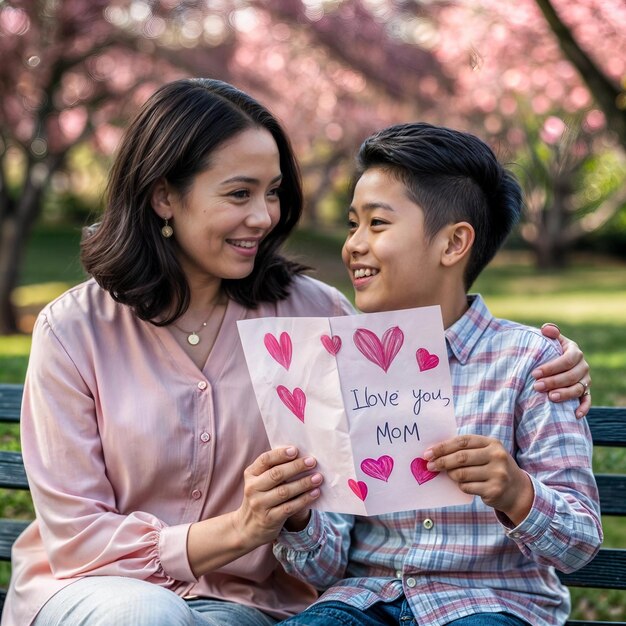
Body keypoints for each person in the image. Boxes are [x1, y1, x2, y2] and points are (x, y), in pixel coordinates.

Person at [3, 80, 589, 626]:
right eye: (239, 194)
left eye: (274, 193)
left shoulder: (320, 318)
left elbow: (435, 349)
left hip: (244, 602)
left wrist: (554, 364)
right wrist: (245, 526)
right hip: (98, 589)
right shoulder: (75, 329)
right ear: (164, 197)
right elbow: (79, 537)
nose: (265, 217)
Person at [273, 123, 602, 626]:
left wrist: (516, 491)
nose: (354, 245)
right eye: (351, 224)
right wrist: (298, 515)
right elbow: (326, 565)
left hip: (491, 604)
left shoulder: (533, 364)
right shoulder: (339, 367)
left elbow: (579, 543)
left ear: (453, 244)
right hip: (363, 602)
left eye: (377, 224)